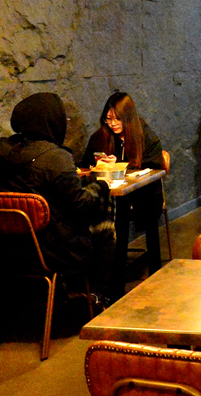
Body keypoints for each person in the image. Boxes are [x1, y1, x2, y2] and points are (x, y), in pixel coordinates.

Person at [0, 92, 112, 295]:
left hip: (6, 248)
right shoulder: (55, 157)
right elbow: (80, 203)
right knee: (104, 220)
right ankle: (97, 295)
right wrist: (100, 185)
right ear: (51, 121)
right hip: (53, 249)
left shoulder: (4, 150)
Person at [81, 92, 165, 269]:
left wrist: (119, 165)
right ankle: (105, 270)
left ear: (128, 118)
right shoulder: (101, 136)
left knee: (122, 210)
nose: (112, 124)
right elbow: (86, 164)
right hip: (108, 196)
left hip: (143, 196)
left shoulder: (145, 135)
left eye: (117, 119)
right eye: (108, 119)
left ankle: (118, 271)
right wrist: (99, 163)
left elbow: (154, 166)